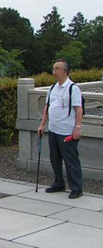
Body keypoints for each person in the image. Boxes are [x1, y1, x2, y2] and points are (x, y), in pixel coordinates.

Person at [37, 59, 84, 199]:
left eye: (57, 69)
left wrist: (77, 128)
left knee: (71, 160)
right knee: (55, 158)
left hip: (67, 131)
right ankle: (58, 183)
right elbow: (47, 107)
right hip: (53, 129)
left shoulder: (72, 88)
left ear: (65, 71)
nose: (54, 71)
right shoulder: (52, 88)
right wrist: (42, 124)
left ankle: (76, 188)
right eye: (53, 69)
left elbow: (78, 109)